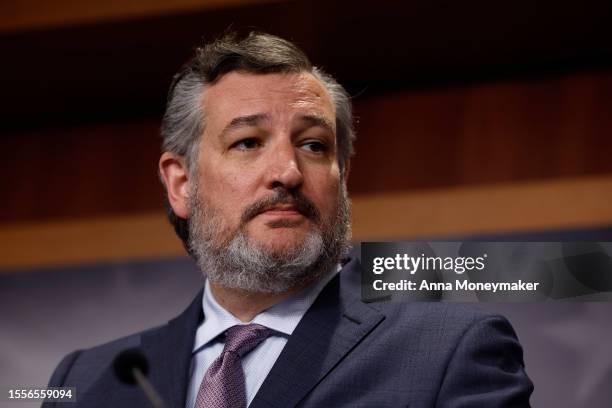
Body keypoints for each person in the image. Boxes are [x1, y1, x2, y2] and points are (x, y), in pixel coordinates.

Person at [45, 32, 533, 407]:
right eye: (248, 143)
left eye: (314, 145)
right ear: (181, 183)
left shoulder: (450, 350)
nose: (288, 172)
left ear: (342, 177)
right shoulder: (86, 380)